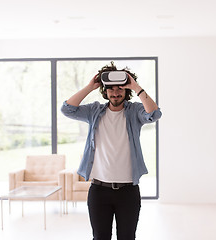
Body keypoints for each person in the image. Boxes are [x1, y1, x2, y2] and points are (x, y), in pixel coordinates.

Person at [61, 61, 162, 240]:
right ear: (105, 91)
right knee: (100, 237)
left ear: (126, 91)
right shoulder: (94, 111)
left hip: (128, 191)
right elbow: (67, 109)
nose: (115, 93)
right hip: (99, 190)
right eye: (111, 89)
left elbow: (154, 114)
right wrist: (90, 87)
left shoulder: (134, 111)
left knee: (127, 237)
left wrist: (136, 85)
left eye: (120, 89)